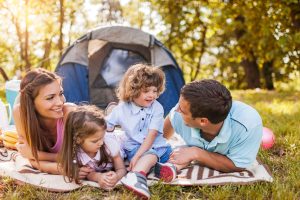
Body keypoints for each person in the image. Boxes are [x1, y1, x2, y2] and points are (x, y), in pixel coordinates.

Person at [106, 64, 176, 199]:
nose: (152, 95)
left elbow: (153, 134)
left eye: (155, 91)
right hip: (137, 149)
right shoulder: (121, 109)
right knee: (151, 156)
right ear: (133, 89)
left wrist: (138, 158)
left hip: (160, 147)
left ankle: (157, 169)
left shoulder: (157, 108)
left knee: (177, 156)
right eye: (146, 91)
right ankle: (136, 176)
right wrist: (136, 155)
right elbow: (105, 127)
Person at [164, 79, 263, 172]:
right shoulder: (178, 115)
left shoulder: (248, 126)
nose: (177, 110)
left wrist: (196, 153)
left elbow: (238, 165)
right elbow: (159, 136)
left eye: (182, 110)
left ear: (203, 121)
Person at [13, 68, 78, 174]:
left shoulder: (69, 112)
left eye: (61, 93)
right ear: (31, 103)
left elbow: (80, 159)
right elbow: (29, 159)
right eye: (50, 98)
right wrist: (60, 166)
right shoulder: (20, 112)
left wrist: (37, 155)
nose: (60, 102)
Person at [58, 105, 126, 190]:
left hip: (121, 141)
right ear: (78, 140)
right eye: (95, 141)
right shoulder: (75, 152)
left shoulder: (109, 144)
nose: (101, 143)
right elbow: (88, 173)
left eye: (102, 137)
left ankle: (112, 121)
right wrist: (98, 177)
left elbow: (121, 168)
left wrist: (117, 176)